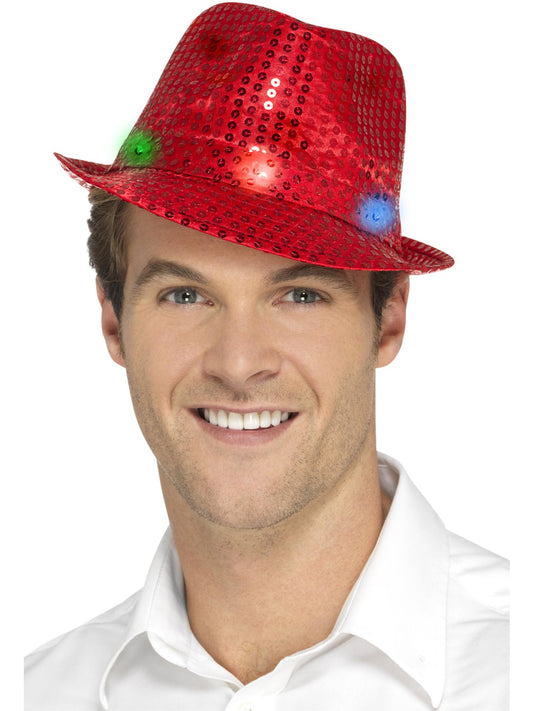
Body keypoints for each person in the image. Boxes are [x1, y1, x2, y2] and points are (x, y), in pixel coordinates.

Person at [24, 3, 509, 709]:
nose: (238, 361)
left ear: (389, 320)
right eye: (185, 295)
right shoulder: (41, 690)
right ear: (113, 320)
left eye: (300, 295)